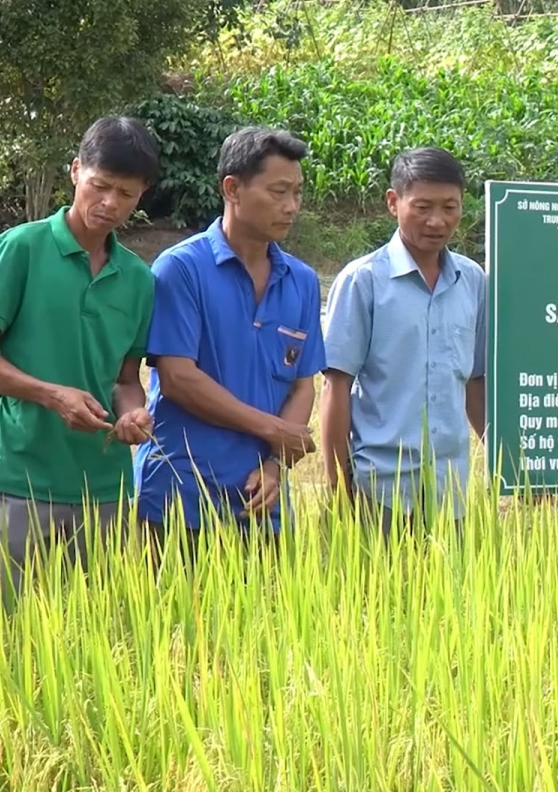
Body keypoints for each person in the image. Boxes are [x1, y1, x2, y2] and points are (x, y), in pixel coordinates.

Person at [0, 115, 159, 609]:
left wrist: (133, 413)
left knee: (93, 627)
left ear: (142, 195)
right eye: (100, 186)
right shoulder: (21, 249)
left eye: (127, 194)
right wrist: (52, 395)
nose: (111, 203)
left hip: (106, 481)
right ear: (75, 172)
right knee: (15, 628)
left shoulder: (138, 278)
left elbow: (125, 379)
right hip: (26, 470)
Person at [134, 127, 324, 563]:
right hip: (179, 497)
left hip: (262, 501)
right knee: (167, 626)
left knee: (264, 627)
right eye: (278, 192)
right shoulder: (181, 269)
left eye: (297, 192)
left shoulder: (302, 281)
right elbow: (179, 378)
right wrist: (274, 430)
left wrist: (276, 463)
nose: (291, 206)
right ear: (232, 189)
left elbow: (301, 384)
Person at [321, 147, 486, 537]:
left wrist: (507, 461)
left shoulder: (473, 280)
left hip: (451, 492)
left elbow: (475, 380)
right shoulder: (363, 280)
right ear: (393, 202)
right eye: (423, 207)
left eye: (450, 207)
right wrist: (338, 485)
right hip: (379, 490)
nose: (437, 221)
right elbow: (336, 386)